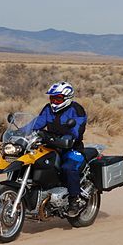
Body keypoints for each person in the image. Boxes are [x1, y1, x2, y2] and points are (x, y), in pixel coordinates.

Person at [28, 81, 87, 216]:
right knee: (34, 163)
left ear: (67, 98)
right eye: (52, 98)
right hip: (51, 146)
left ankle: (74, 200)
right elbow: (37, 123)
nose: (54, 101)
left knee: (68, 168)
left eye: (58, 98)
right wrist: (20, 132)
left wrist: (67, 138)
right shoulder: (48, 109)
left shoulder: (77, 110)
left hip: (72, 148)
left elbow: (77, 130)